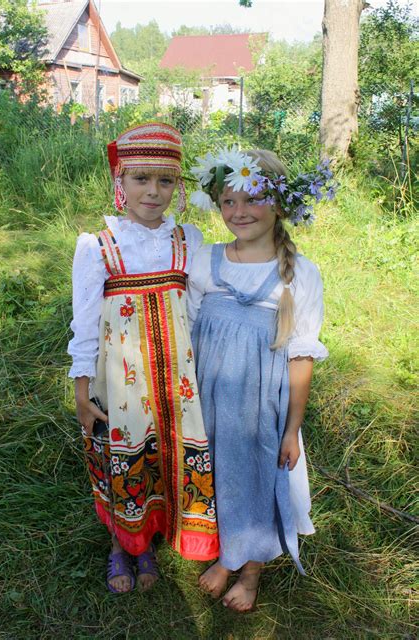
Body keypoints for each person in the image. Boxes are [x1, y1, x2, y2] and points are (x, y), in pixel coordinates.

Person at [68, 123, 219, 594]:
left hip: (176, 380)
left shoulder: (187, 240)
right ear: (120, 181)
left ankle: (158, 532)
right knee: (123, 453)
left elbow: (196, 312)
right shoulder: (98, 246)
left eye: (166, 180)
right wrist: (81, 391)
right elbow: (86, 322)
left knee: (167, 452)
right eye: (141, 179)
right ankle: (123, 542)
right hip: (122, 380)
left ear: (177, 186)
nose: (153, 192)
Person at [187, 147, 335, 612]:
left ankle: (249, 572)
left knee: (254, 475)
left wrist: (291, 429)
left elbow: (300, 357)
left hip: (259, 404)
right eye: (228, 201)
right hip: (208, 395)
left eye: (252, 199)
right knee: (215, 474)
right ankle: (225, 553)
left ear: (279, 205)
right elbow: (188, 332)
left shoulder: (298, 274)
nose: (239, 212)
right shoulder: (204, 261)